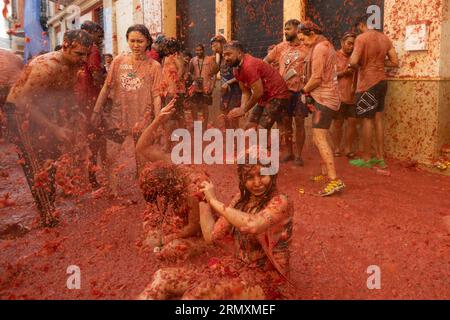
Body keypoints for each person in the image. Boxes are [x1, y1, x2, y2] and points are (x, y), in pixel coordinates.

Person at [138, 148, 294, 300]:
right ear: (242, 178)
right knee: (162, 277)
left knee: (197, 295)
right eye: (250, 177)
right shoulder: (241, 199)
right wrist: (203, 200)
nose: (257, 182)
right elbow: (212, 236)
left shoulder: (281, 202)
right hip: (238, 268)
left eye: (263, 175)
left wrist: (214, 201)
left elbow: (253, 224)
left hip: (268, 281)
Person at [4, 30, 93, 226]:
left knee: (50, 160)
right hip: (19, 114)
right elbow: (23, 103)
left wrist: (75, 114)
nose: (83, 59)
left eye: (86, 54)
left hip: (43, 111)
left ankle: (49, 209)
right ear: (65, 46)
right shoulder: (45, 67)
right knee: (36, 164)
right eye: (79, 54)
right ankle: (47, 218)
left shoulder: (73, 66)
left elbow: (66, 93)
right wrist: (55, 128)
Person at [91, 24, 162, 197]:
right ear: (127, 41)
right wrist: (95, 111)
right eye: (132, 41)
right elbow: (106, 88)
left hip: (143, 119)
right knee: (110, 157)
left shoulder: (154, 66)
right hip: (119, 118)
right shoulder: (118, 61)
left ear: (147, 42)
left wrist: (158, 121)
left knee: (142, 159)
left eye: (140, 41)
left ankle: (147, 193)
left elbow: (157, 95)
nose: (136, 45)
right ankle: (112, 190)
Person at [135, 101, 210, 262]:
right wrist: (157, 121)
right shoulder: (168, 166)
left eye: (161, 193)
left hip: (202, 233)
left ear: (167, 186)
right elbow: (141, 147)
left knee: (169, 250)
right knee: (150, 234)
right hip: (182, 223)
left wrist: (168, 238)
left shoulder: (192, 189)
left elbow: (194, 226)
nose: (161, 198)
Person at [298, 22, 345, 196]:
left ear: (311, 33)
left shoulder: (319, 48)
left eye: (303, 38)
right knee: (322, 135)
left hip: (324, 99)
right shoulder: (327, 45)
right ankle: (325, 173)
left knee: (319, 137)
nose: (302, 42)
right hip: (327, 98)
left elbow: (316, 78)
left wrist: (303, 91)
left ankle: (334, 180)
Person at [349, 13, 399, 169]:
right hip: (382, 82)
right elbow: (395, 62)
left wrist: (363, 66)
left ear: (363, 25)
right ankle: (380, 157)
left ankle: (366, 158)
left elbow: (353, 62)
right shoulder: (385, 39)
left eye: (359, 28)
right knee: (378, 119)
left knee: (367, 120)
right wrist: (378, 64)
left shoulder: (361, 38)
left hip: (367, 83)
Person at [265, 19, 310, 166]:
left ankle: (298, 155)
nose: (285, 32)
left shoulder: (307, 47)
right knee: (285, 122)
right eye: (285, 29)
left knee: (299, 122)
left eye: (288, 29)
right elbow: (265, 62)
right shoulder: (280, 47)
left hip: (301, 91)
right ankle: (289, 152)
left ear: (297, 30)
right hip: (284, 92)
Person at [226, 41, 291, 131]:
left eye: (229, 54)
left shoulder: (249, 65)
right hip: (264, 97)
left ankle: (274, 143)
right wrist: (242, 108)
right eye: (224, 55)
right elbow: (245, 92)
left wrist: (244, 109)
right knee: (249, 127)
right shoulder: (236, 69)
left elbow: (258, 92)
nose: (226, 58)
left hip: (278, 95)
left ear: (239, 53)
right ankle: (266, 143)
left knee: (261, 130)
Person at [75, 21, 107, 190]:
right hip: (91, 101)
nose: (100, 40)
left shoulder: (76, 50)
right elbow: (96, 75)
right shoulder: (92, 49)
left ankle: (80, 179)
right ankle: (92, 178)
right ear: (90, 32)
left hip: (78, 100)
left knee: (82, 139)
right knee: (95, 139)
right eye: (98, 35)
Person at [331, 32, 358, 158]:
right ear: (342, 43)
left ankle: (348, 149)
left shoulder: (356, 57)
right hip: (338, 96)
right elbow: (328, 76)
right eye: (349, 43)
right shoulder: (334, 56)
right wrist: (343, 73)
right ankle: (336, 148)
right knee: (338, 123)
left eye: (354, 44)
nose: (351, 47)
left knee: (352, 123)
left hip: (353, 96)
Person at [210, 34, 242, 129]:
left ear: (222, 43)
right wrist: (214, 56)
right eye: (212, 46)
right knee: (224, 117)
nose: (213, 47)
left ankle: (236, 140)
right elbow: (214, 71)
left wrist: (228, 82)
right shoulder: (220, 58)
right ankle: (229, 139)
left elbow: (240, 75)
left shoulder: (231, 57)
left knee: (233, 117)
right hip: (225, 93)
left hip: (235, 91)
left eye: (215, 45)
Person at [160, 38, 187, 150]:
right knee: (177, 117)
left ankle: (169, 145)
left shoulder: (176, 57)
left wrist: (176, 83)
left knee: (171, 118)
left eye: (167, 46)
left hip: (174, 92)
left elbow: (181, 69)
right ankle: (179, 143)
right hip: (169, 91)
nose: (164, 48)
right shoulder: (166, 57)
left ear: (172, 47)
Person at [188, 44, 217, 131]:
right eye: (197, 50)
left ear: (203, 50)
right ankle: (196, 124)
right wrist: (194, 80)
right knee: (193, 106)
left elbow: (215, 73)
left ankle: (204, 127)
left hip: (206, 87)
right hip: (196, 87)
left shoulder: (209, 60)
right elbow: (190, 72)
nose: (198, 52)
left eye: (200, 50)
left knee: (205, 107)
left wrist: (212, 86)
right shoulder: (193, 60)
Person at [0, 49, 24, 139]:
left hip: (10, 84)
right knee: (13, 111)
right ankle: (15, 134)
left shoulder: (10, 55)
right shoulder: (11, 55)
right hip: (16, 85)